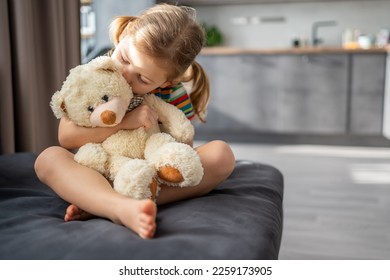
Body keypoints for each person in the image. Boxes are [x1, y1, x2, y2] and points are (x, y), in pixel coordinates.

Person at [34, 3, 235, 239]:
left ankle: (103, 202)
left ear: (166, 83)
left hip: (147, 173)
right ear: (125, 33)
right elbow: (66, 137)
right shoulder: (98, 73)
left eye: (142, 78)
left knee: (222, 155)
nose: (126, 76)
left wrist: (158, 137)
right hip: (99, 169)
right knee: (48, 159)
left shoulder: (173, 95)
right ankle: (116, 206)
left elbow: (182, 154)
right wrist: (124, 122)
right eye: (125, 59)